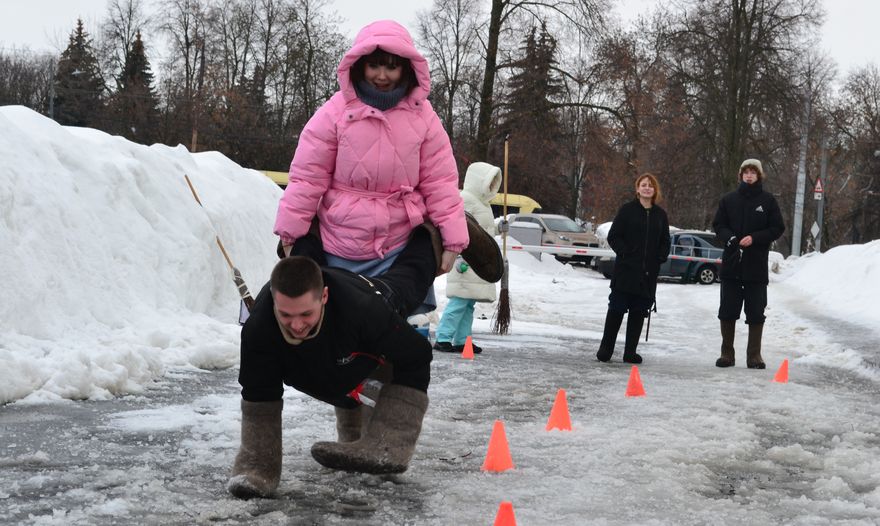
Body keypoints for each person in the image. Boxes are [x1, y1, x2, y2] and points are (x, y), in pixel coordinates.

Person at [228, 225, 439, 500]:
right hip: (324, 363)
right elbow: (259, 396)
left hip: (372, 300)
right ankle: (317, 220)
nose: (296, 325)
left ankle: (433, 231)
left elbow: (417, 355)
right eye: (286, 315)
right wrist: (257, 468)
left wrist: (390, 442)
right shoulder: (259, 329)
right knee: (304, 256)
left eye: (305, 314)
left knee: (414, 270)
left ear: (323, 297)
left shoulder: (365, 311)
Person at [273, 20, 470, 287]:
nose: (382, 75)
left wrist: (454, 238)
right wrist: (290, 232)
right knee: (341, 319)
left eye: (392, 66)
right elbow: (308, 176)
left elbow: (440, 182)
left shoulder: (424, 117)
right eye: (374, 65)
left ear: (407, 68)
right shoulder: (335, 112)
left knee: (394, 320)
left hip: (398, 246)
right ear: (359, 64)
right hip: (338, 243)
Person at [712, 159, 785, 369]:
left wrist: (755, 238)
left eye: (753, 172)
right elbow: (719, 225)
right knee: (727, 310)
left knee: (755, 311)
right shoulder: (728, 199)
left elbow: (777, 227)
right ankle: (727, 354)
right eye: (746, 172)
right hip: (732, 265)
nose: (749, 175)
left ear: (759, 176)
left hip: (756, 266)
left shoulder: (768, 201)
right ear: (741, 175)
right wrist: (730, 238)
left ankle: (754, 356)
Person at [596, 173, 670, 364]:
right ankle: (606, 348)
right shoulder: (627, 210)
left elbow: (665, 242)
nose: (647, 188)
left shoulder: (660, 215)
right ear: (637, 189)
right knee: (616, 309)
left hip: (647, 275)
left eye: (650, 185)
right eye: (643, 185)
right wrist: (625, 253)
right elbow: (614, 236)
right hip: (626, 271)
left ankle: (630, 352)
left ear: (655, 190)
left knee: (638, 312)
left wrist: (659, 258)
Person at [433, 162, 503, 354]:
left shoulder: (483, 204)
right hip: (465, 262)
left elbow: (482, 232)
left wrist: (498, 228)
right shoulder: (465, 199)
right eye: (489, 182)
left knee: (468, 304)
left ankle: (463, 340)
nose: (490, 188)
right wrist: (459, 260)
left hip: (477, 261)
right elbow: (459, 229)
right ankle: (443, 337)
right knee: (458, 303)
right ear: (480, 181)